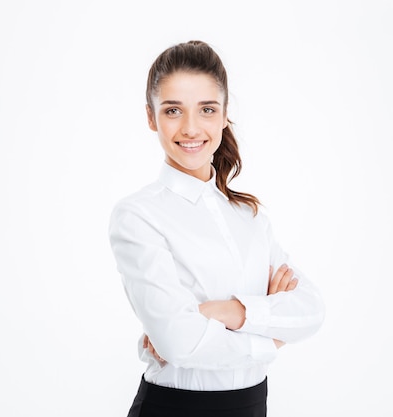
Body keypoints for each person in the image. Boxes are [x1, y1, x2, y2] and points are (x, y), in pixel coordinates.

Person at [108, 40, 325, 417]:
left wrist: (222, 312)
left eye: (206, 109)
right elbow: (179, 343)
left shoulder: (250, 215)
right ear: (150, 117)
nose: (191, 128)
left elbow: (311, 310)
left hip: (252, 406)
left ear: (225, 114)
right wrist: (272, 335)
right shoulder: (138, 216)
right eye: (173, 110)